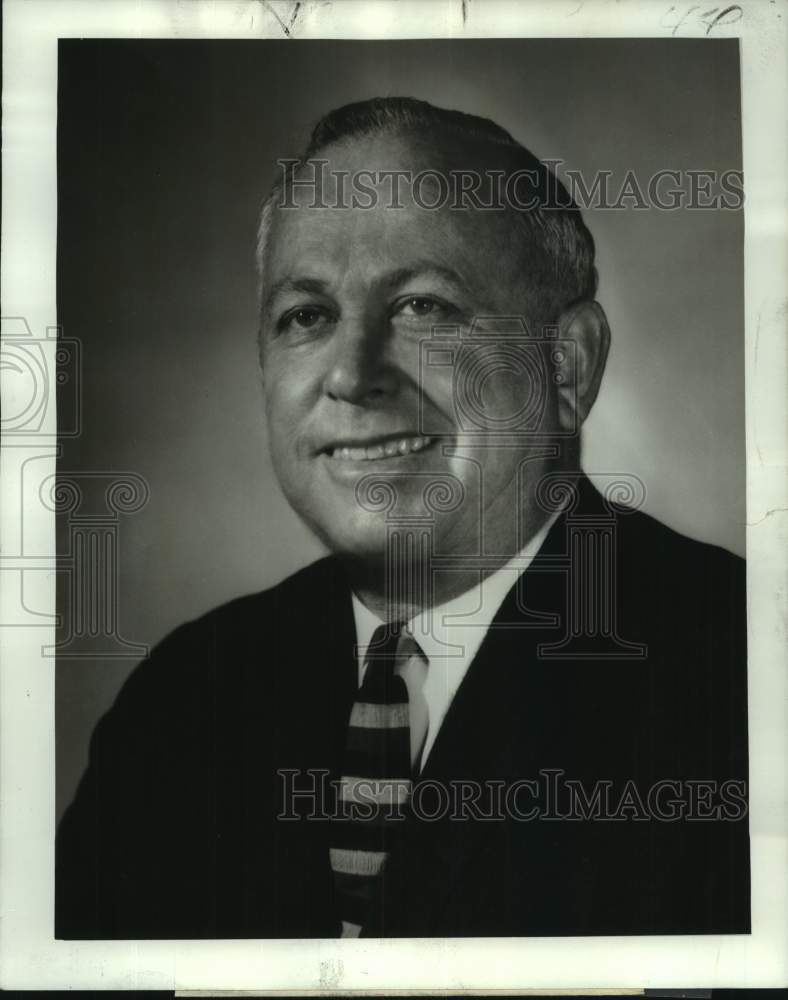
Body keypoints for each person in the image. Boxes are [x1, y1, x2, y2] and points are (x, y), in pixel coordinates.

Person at [56, 97, 749, 939]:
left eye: (423, 306)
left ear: (565, 369)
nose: (353, 374)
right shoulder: (180, 704)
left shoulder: (742, 679)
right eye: (307, 316)